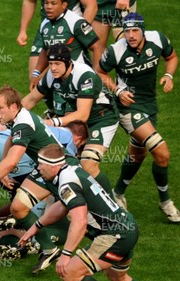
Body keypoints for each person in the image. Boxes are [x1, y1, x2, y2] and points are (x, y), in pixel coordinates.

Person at [20, 144, 166, 281]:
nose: (38, 168)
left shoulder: (67, 183)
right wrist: (37, 225)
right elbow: (62, 206)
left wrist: (65, 255)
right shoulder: (71, 171)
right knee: (119, 277)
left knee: (70, 272)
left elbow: (79, 221)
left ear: (53, 165)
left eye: (41, 164)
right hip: (127, 227)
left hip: (115, 235)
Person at [0, 86, 78, 274]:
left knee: (87, 216)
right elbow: (9, 141)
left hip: (64, 169)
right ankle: (49, 249)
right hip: (47, 169)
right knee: (18, 207)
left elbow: (13, 162)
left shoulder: (23, 124)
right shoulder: (18, 117)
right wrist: (3, 170)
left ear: (13, 106)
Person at [96, 13, 180, 222]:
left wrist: (169, 75)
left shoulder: (158, 39)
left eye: (135, 31)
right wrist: (117, 91)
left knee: (138, 154)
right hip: (128, 107)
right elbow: (99, 72)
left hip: (150, 104)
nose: (130, 35)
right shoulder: (116, 51)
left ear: (143, 30)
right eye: (126, 31)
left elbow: (171, 57)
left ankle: (118, 193)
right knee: (162, 153)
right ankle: (165, 201)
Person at [23, 43, 119, 196]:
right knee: (65, 165)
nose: (53, 68)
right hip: (76, 121)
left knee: (88, 165)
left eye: (57, 64)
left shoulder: (84, 76)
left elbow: (83, 115)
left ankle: (113, 205)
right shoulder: (51, 75)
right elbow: (31, 99)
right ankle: (77, 204)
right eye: (50, 63)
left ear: (68, 63)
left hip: (102, 119)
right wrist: (11, 117)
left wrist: (52, 122)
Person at [29, 0, 103, 90]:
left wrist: (96, 73)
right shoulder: (44, 23)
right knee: (41, 96)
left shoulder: (77, 22)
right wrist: (36, 73)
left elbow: (97, 47)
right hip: (58, 78)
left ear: (64, 5)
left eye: (53, 3)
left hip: (79, 78)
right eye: (46, 3)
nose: (48, 7)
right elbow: (45, 49)